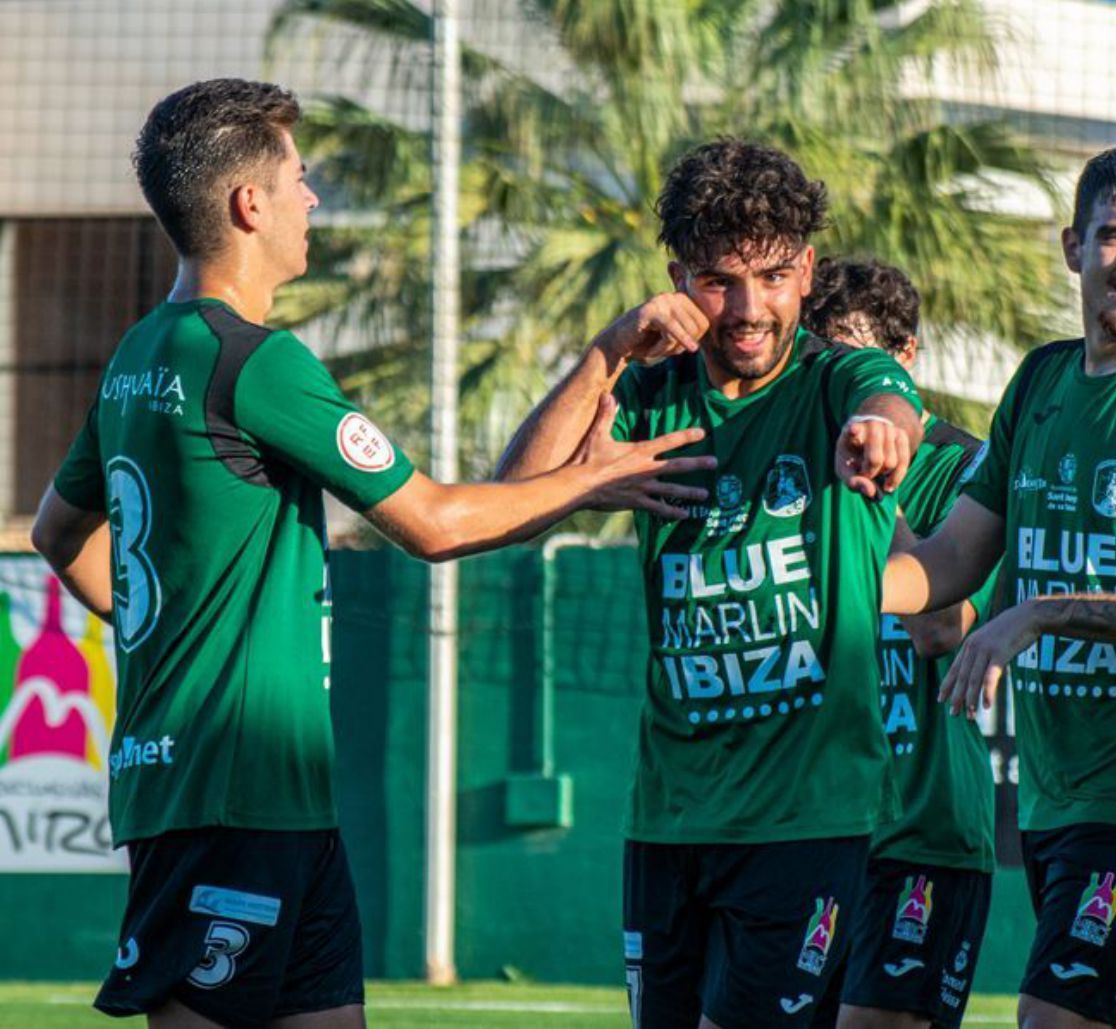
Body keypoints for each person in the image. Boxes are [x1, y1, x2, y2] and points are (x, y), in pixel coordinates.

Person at [28, 79, 713, 1029]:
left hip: (272, 806)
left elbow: (56, 535)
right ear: (249, 204)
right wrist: (592, 480)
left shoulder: (139, 355)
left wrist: (164, 626)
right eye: (301, 180)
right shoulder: (256, 361)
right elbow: (433, 523)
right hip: (225, 801)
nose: (313, 200)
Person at [495, 140, 924, 1028]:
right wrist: (610, 349)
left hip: (805, 825)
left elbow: (890, 403)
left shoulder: (836, 377)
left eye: (771, 276)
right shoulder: (650, 396)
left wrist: (882, 434)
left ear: (806, 271)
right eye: (719, 279)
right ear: (677, 278)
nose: (748, 307)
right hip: (668, 819)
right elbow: (508, 503)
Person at [882, 146, 1116, 1029]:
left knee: (1051, 1015)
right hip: (1056, 793)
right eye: (1115, 236)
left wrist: (1047, 610)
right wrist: (840, 556)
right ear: (1072, 247)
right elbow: (945, 567)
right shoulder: (1041, 378)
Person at [803, 257, 996, 1029]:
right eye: (818, 363)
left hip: (923, 830)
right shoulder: (795, 465)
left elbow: (939, 628)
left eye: (853, 363)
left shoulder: (970, 467)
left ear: (904, 360)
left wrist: (875, 490)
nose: (836, 391)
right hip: (817, 827)